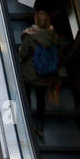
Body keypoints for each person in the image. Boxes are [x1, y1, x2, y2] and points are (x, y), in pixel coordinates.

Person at [18, 8, 62, 140]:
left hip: (30, 74)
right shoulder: (54, 38)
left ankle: (26, 122)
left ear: (36, 21)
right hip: (46, 76)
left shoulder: (31, 37)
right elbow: (59, 56)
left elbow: (23, 54)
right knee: (41, 100)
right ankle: (40, 126)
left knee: (26, 97)